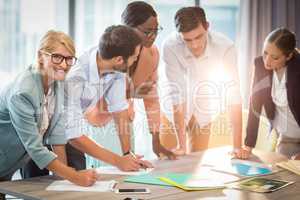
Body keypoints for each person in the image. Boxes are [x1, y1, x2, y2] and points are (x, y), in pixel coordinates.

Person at [0, 30, 98, 199]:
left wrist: (64, 181)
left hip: (7, 167)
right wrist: (75, 176)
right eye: (57, 57)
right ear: (40, 56)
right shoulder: (23, 92)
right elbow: (35, 147)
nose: (64, 65)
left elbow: (57, 135)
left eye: (69, 59)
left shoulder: (58, 85)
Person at [84, 1, 176, 165]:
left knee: (127, 171)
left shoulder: (152, 53)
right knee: (106, 176)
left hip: (125, 121)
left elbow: (151, 96)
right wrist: (133, 93)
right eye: (147, 31)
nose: (153, 36)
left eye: (156, 30)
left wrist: (156, 141)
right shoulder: (109, 51)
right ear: (128, 28)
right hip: (100, 122)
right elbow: (98, 96)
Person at [64, 25, 153, 170]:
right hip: (41, 133)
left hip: (69, 132)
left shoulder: (113, 66)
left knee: (79, 179)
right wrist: (118, 162)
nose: (135, 61)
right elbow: (73, 134)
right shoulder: (77, 77)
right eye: (134, 57)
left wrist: (127, 155)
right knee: (38, 185)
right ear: (119, 60)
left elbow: (119, 110)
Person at [159, 6, 243, 155]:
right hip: (173, 113)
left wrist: (237, 146)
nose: (194, 45)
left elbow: (233, 95)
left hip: (204, 111)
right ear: (180, 35)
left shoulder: (226, 47)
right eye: (188, 40)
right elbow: (177, 93)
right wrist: (181, 145)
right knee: (167, 163)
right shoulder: (170, 46)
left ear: (207, 27)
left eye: (198, 37)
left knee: (195, 167)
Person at [237, 28, 300, 160]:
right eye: (265, 53)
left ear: (288, 56)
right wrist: (248, 145)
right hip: (286, 140)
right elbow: (255, 105)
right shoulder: (260, 65)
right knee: (282, 176)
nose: (267, 61)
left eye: (275, 57)